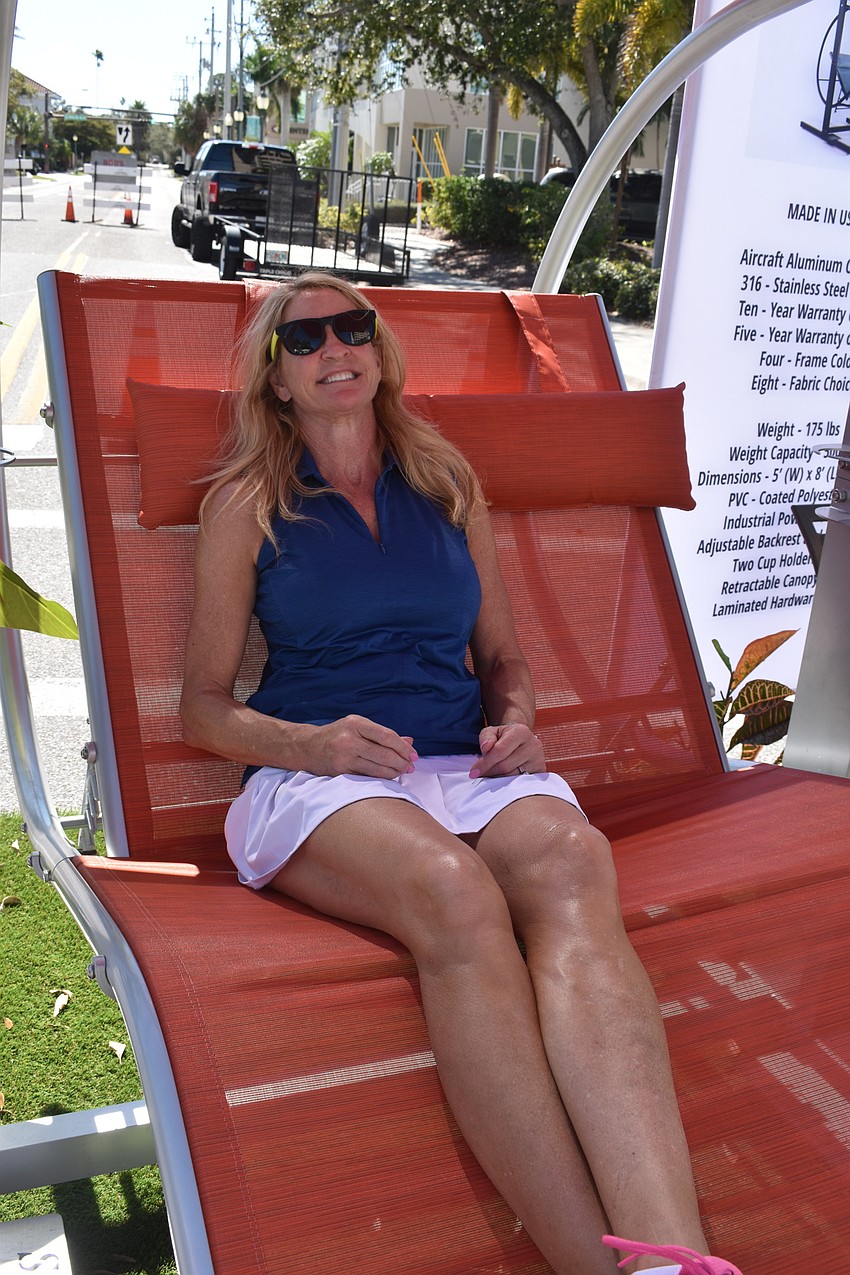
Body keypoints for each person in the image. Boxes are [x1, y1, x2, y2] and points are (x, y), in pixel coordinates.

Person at [180, 272, 741, 1275]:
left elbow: (504, 658)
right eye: (303, 339)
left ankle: (673, 1260)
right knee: (455, 890)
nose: (334, 348)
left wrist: (516, 723)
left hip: (461, 762)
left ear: (380, 350)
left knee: (571, 859)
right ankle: (588, 1264)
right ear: (274, 379)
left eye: (353, 327)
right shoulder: (249, 504)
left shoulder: (445, 483)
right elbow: (203, 708)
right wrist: (312, 745)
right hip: (323, 782)